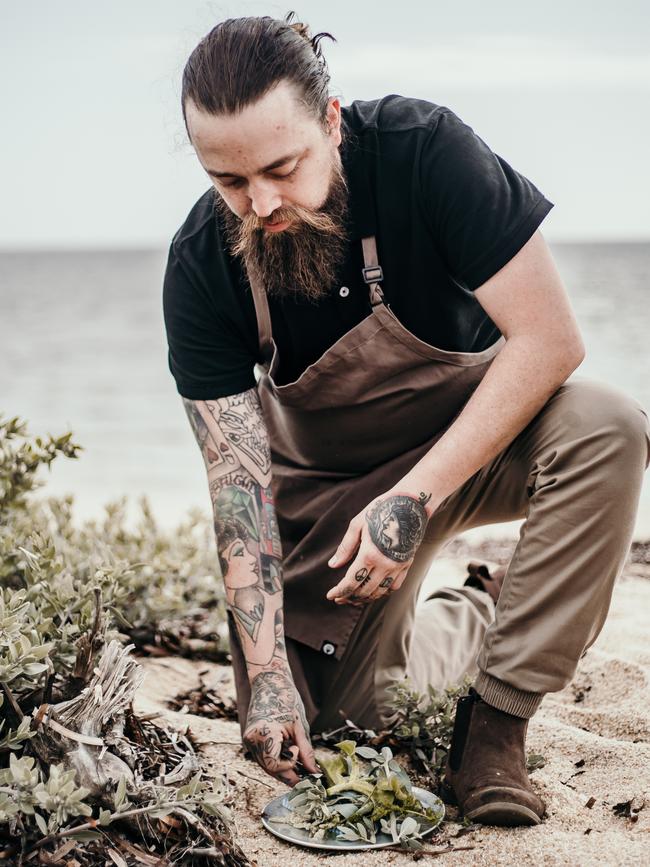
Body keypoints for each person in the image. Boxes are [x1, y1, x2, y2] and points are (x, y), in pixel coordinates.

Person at [162, 14, 650, 826]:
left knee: (610, 427)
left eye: (282, 167)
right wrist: (267, 672)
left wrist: (416, 499)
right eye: (229, 180)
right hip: (333, 509)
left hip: (477, 445)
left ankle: (497, 721)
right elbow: (239, 491)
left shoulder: (427, 152)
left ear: (331, 120)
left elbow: (550, 342)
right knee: (347, 728)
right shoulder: (201, 264)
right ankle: (476, 610)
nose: (260, 202)